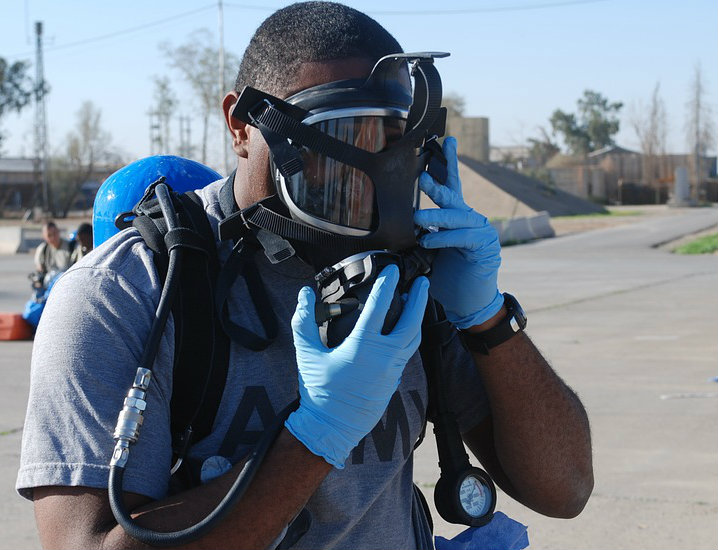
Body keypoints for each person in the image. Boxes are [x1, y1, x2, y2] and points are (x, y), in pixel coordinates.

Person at [17, 3, 593, 549]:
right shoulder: (123, 296)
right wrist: (318, 436)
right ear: (241, 125)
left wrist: (488, 319)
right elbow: (83, 542)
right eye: (343, 139)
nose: (368, 175)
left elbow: (564, 488)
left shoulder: (412, 280)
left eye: (391, 143)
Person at [33, 221, 72, 288]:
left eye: (55, 233)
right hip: (48, 287)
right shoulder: (43, 250)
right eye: (49, 235)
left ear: (58, 232)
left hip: (66, 285)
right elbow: (39, 269)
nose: (53, 237)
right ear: (44, 236)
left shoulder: (71, 247)